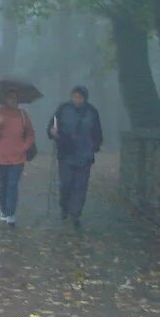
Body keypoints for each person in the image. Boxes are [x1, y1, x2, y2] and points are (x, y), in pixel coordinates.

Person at [46, 85, 103, 226]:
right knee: (66, 184)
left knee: (80, 186)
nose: (77, 99)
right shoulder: (63, 109)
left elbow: (97, 132)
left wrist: (94, 147)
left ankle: (75, 213)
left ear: (85, 98)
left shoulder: (92, 112)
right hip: (66, 154)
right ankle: (64, 206)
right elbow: (52, 126)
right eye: (75, 96)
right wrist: (52, 131)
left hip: (85, 155)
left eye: (80, 97)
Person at [0, 89, 35, 227]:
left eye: (15, 97)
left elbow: (30, 134)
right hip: (1, 157)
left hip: (18, 158)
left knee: (12, 185)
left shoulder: (23, 115)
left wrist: (25, 146)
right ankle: (4, 210)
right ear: (5, 99)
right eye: (10, 97)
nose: (13, 100)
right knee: (3, 185)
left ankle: (11, 214)